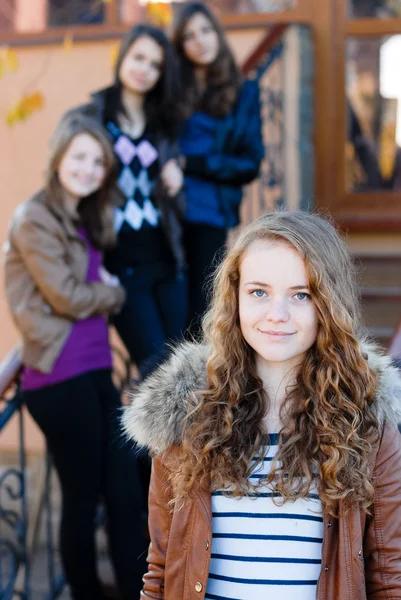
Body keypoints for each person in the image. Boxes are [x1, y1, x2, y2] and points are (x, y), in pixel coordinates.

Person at [123, 210, 401, 600]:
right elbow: (161, 570)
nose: (276, 314)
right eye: (259, 292)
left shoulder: (368, 423)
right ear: (234, 297)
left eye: (300, 295)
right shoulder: (186, 414)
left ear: (328, 304)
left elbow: (391, 578)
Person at [4, 113, 148, 600]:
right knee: (83, 500)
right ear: (59, 157)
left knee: (124, 492)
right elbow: (66, 296)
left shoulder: (79, 215)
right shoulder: (34, 217)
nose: (89, 169)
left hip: (92, 369)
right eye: (79, 157)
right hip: (59, 377)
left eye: (98, 162)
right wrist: (112, 293)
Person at [68, 23, 187, 378]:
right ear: (123, 57)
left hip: (167, 259)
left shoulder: (162, 122)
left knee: (184, 369)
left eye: (155, 65)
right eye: (139, 58)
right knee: (157, 373)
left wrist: (177, 168)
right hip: (121, 265)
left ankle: (182, 437)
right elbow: (70, 181)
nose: (144, 69)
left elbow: (170, 174)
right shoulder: (92, 116)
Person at [173, 2, 264, 337]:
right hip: (165, 208)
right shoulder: (170, 90)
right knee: (167, 306)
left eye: (206, 30)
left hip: (208, 212)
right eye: (189, 36)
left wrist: (190, 164)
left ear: (218, 33)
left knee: (200, 311)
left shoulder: (244, 93)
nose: (200, 41)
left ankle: (198, 386)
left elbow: (250, 162)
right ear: (180, 46)